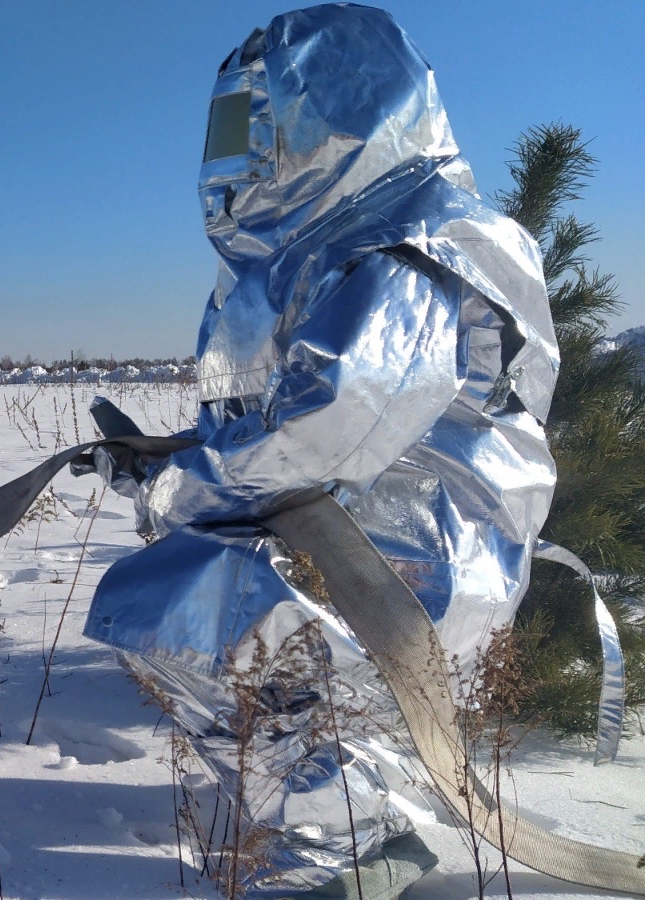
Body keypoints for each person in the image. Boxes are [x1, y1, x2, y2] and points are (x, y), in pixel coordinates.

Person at [79, 5, 558, 897]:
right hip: (349, 542)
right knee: (191, 623)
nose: (236, 156)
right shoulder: (305, 254)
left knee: (188, 610)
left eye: (257, 126)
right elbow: (265, 421)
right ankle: (323, 820)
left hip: (410, 563)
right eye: (230, 127)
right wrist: (165, 458)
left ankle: (353, 843)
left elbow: (336, 420)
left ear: (333, 117)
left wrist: (181, 483)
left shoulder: (409, 245)